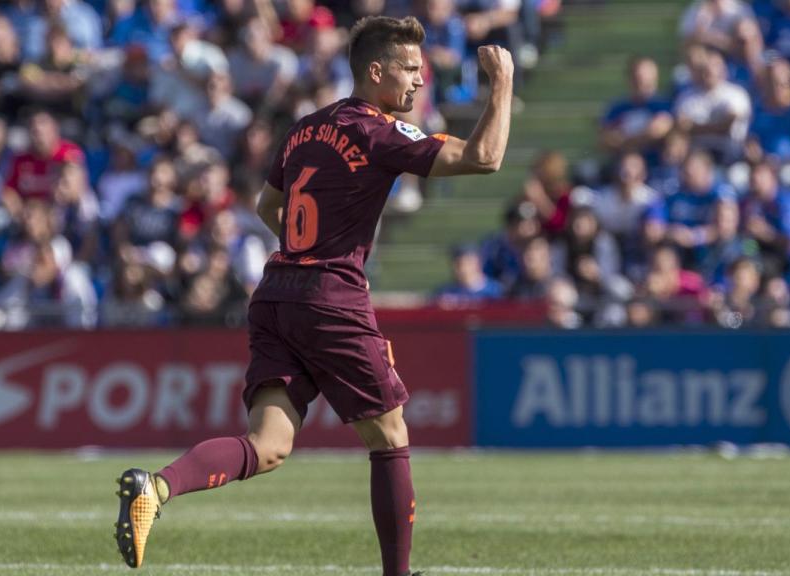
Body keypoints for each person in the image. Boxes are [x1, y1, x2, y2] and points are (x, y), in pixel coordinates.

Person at [113, 16, 515, 576]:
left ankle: (156, 488)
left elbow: (266, 207)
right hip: (331, 296)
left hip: (276, 291)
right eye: (411, 69)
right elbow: (484, 158)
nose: (420, 81)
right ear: (376, 72)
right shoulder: (377, 130)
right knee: (390, 435)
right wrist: (502, 83)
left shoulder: (304, 128)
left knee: (268, 444)